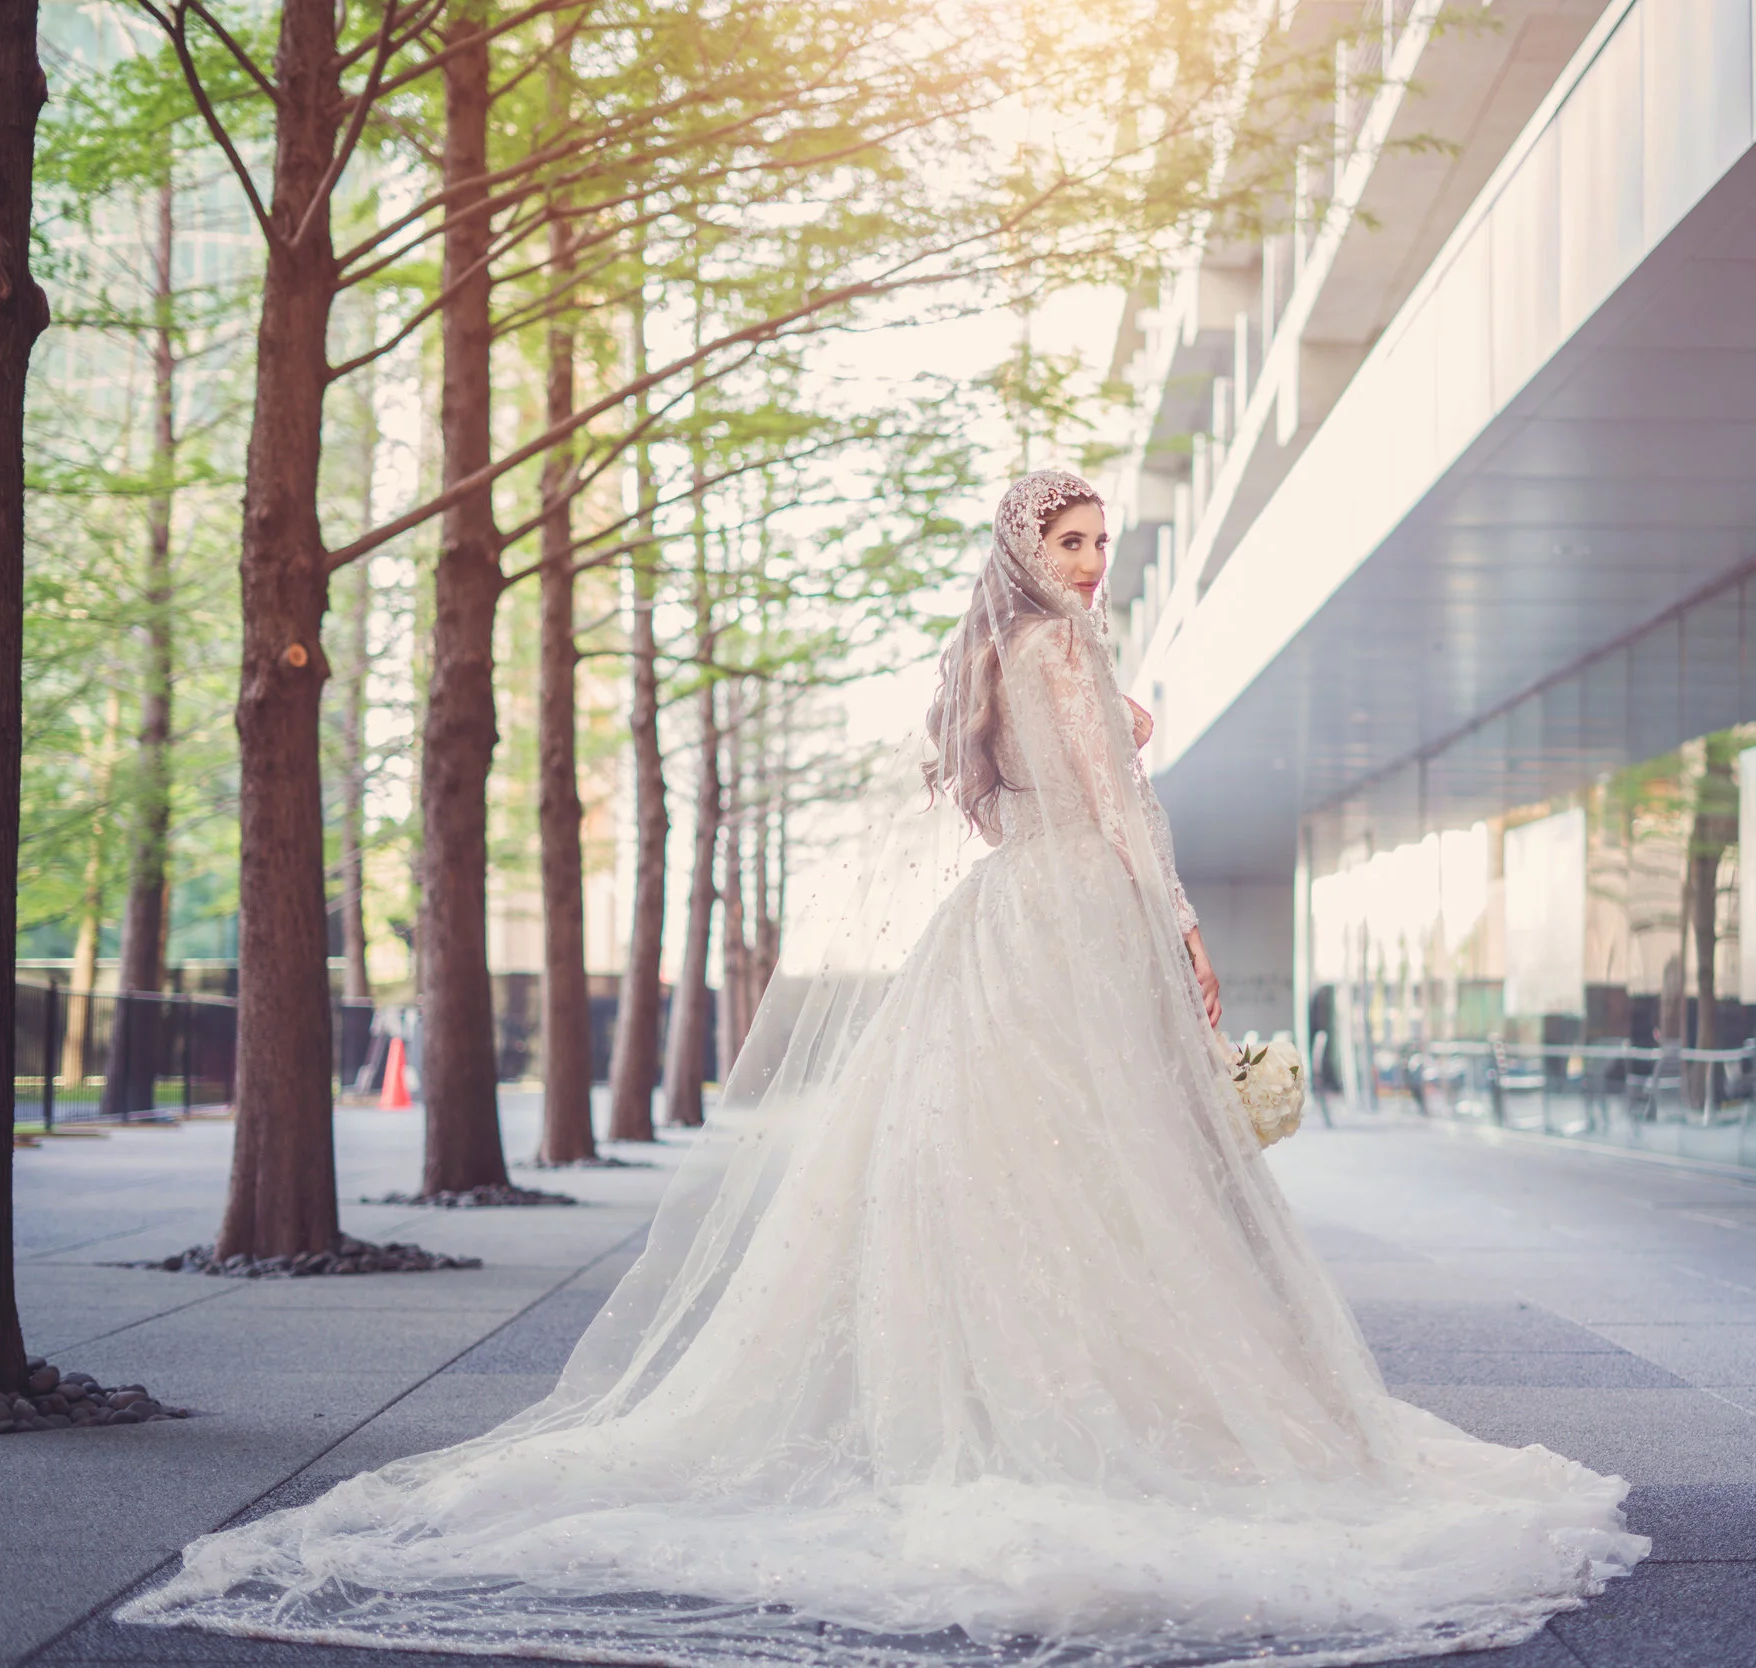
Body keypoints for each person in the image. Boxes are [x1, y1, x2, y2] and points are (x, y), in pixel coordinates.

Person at [122, 471, 1644, 1666]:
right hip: (1083, 916)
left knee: (1022, 1163)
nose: (1092, 565)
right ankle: (1118, 1402)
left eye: (1102, 542)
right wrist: (1182, 932)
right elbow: (1121, 813)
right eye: (1072, 539)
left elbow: (993, 812)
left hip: (1004, 920)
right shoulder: (1059, 655)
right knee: (1113, 1164)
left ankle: (1029, 1370)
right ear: (1025, 547)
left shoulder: (979, 660)